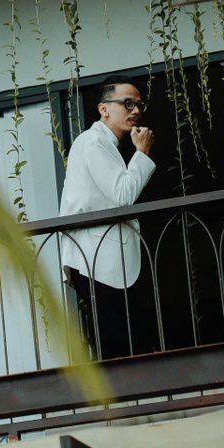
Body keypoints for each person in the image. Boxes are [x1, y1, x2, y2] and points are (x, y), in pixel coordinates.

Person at [58, 79, 156, 360]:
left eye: (139, 104)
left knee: (122, 344)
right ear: (103, 108)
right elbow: (123, 195)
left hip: (101, 259)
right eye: (128, 103)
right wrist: (142, 153)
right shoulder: (93, 141)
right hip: (97, 259)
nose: (136, 110)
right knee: (122, 346)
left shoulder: (104, 143)